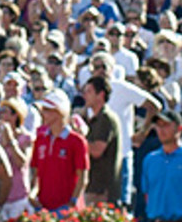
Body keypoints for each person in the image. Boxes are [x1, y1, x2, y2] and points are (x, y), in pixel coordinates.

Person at [29, 89, 88, 211]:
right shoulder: (40, 139)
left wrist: (73, 202)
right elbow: (36, 174)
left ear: (59, 112)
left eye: (47, 110)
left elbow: (82, 178)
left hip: (66, 210)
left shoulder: (77, 141)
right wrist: (33, 195)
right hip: (43, 208)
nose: (42, 113)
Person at [81, 75, 122, 205]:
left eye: (89, 92)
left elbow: (97, 151)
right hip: (93, 186)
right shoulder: (94, 120)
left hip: (102, 190)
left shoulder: (105, 119)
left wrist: (79, 139)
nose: (85, 96)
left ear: (100, 95)